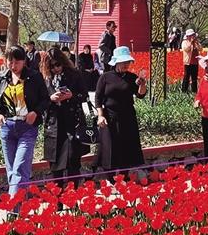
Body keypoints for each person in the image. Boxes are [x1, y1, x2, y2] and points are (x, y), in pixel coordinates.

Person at [0, 46, 50, 197]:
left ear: (24, 61)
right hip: (7, 126)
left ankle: (13, 206)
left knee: (20, 168)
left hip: (27, 127)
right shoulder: (2, 77)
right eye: (10, 62)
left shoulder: (34, 77)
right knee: (11, 170)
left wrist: (35, 112)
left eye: (17, 62)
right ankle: (19, 205)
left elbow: (45, 99)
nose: (13, 66)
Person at [41, 47, 89, 187]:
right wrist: (51, 98)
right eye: (52, 66)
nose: (56, 68)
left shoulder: (74, 75)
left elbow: (84, 95)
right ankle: (57, 195)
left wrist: (71, 96)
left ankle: (73, 194)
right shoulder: (45, 79)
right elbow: (39, 101)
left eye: (58, 65)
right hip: (54, 123)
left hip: (72, 122)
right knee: (55, 163)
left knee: (73, 159)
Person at [95, 46, 147, 174]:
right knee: (110, 146)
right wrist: (100, 115)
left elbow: (140, 95)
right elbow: (98, 98)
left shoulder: (131, 77)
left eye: (128, 62)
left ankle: (125, 176)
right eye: (123, 62)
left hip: (127, 116)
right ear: (116, 62)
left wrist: (142, 84)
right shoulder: (105, 77)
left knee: (127, 146)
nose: (126, 65)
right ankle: (110, 177)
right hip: (110, 116)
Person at [181, 29, 203, 93]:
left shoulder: (196, 42)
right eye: (191, 35)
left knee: (194, 77)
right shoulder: (185, 42)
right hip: (188, 62)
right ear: (187, 36)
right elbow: (186, 49)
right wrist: (191, 43)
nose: (192, 37)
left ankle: (194, 91)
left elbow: (200, 49)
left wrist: (197, 43)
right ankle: (184, 91)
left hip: (195, 62)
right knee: (186, 77)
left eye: (193, 35)